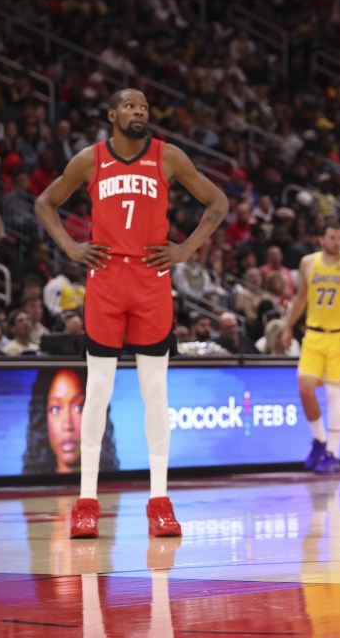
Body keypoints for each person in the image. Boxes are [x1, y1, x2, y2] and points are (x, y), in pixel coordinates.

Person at [35, 88, 229, 538]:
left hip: (151, 279)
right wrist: (70, 246)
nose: (138, 111)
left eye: (144, 106)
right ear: (111, 114)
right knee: (98, 390)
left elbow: (217, 202)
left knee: (155, 392)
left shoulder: (169, 156)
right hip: (105, 278)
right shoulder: (90, 159)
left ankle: (159, 501)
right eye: (129, 106)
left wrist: (183, 250)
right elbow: (45, 203)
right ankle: (86, 503)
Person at [281, 217, 340, 475]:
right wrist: (288, 326)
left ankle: (333, 452)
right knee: (305, 389)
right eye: (332, 238)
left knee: (334, 394)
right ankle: (319, 439)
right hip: (314, 335)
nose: (336, 242)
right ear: (321, 239)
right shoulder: (308, 263)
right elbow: (300, 299)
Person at [22, 367, 118, 475]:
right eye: (55, 409)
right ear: (43, 420)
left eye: (79, 407)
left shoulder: (113, 485)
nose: (68, 425)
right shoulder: (30, 488)